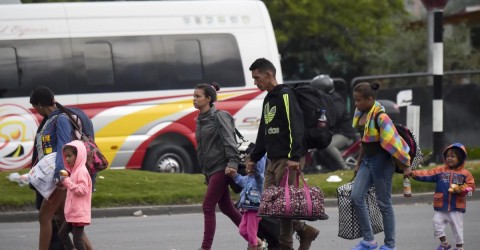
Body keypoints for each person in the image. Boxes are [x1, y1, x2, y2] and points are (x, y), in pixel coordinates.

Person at [246, 58, 320, 250]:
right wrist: (253, 158)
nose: (255, 82)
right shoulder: (268, 98)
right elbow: (264, 130)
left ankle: (285, 245)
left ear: (269, 74)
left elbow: (296, 125)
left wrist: (294, 157)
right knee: (269, 206)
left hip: (288, 161)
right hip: (272, 160)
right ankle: (304, 230)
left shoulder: (286, 95)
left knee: (283, 209)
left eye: (257, 77)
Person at [350, 81, 412, 250]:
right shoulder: (361, 114)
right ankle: (369, 240)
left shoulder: (381, 117)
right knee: (356, 197)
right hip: (367, 161)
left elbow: (394, 143)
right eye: (355, 100)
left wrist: (406, 165)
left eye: (358, 100)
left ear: (370, 99)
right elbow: (364, 141)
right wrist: (358, 162)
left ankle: (390, 245)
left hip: (382, 162)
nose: (356, 103)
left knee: (384, 203)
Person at [29, 86, 93, 250]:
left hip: (59, 176)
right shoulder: (51, 119)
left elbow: (63, 147)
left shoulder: (61, 119)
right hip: (57, 175)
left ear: (40, 105)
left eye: (35, 107)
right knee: (66, 220)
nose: (35, 111)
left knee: (44, 217)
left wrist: (59, 175)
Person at [194, 82, 243, 250]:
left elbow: (230, 142)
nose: (194, 99)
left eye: (197, 96)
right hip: (211, 170)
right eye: (194, 96)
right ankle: (257, 237)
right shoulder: (200, 120)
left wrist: (233, 164)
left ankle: (205, 247)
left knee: (208, 206)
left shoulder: (219, 116)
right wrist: (206, 174)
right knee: (227, 208)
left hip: (223, 167)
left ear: (208, 98)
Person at [409, 143, 475, 250]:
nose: (449, 158)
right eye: (448, 156)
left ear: (460, 158)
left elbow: (471, 187)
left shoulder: (465, 173)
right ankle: (444, 244)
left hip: (456, 208)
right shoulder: (440, 171)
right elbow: (427, 174)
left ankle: (459, 247)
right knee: (436, 223)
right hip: (441, 206)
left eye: (453, 156)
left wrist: (462, 189)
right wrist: (414, 173)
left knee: (458, 229)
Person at [310, 74, 357, 171]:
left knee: (327, 144)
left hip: (344, 134)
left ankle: (344, 168)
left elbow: (333, 117)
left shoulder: (336, 100)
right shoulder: (322, 100)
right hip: (330, 132)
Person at [226, 155, 268, 250]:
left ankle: (254, 245)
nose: (247, 168)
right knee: (242, 230)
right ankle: (261, 244)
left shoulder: (259, 179)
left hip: (254, 210)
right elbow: (240, 179)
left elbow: (258, 174)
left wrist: (254, 168)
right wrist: (233, 174)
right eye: (246, 166)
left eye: (249, 166)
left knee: (251, 234)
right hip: (245, 208)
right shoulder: (247, 178)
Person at [58, 141, 93, 250]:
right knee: (62, 234)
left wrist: (67, 182)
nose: (67, 159)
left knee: (77, 240)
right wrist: (65, 183)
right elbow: (73, 188)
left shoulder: (81, 171)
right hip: (73, 213)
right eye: (65, 156)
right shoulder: (74, 171)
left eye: (70, 156)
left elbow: (82, 190)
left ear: (78, 156)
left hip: (79, 213)